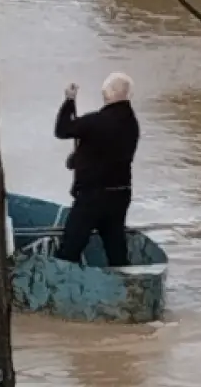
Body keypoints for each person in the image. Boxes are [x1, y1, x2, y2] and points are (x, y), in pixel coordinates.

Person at [53, 72, 139, 267]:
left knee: (70, 249)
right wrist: (78, 158)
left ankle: (59, 288)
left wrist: (69, 100)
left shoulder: (96, 121)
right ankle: (126, 287)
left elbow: (63, 129)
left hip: (92, 197)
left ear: (106, 93)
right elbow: (107, 151)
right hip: (120, 194)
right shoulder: (132, 124)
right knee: (116, 248)